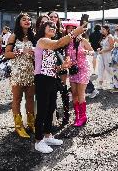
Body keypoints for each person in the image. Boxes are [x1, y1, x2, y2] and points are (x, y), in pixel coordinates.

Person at [34, 20, 85, 153]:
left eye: (54, 27)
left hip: (51, 78)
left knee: (51, 108)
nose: (52, 27)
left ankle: (47, 135)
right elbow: (58, 43)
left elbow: (52, 67)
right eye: (49, 26)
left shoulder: (50, 44)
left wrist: (62, 66)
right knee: (42, 109)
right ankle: (38, 141)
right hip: (41, 79)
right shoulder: (42, 41)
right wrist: (74, 33)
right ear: (42, 28)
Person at [5, 13, 36, 138]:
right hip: (17, 73)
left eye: (29, 19)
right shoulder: (14, 36)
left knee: (30, 99)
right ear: (19, 22)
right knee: (17, 99)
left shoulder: (33, 36)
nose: (27, 21)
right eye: (24, 19)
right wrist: (20, 51)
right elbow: (6, 54)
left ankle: (31, 123)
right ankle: (18, 126)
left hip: (30, 72)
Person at [66, 33, 94, 127]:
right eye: (69, 30)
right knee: (74, 93)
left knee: (80, 92)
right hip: (73, 70)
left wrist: (87, 52)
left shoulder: (83, 41)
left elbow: (92, 52)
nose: (72, 31)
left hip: (83, 69)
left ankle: (83, 117)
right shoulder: (68, 42)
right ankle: (77, 116)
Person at [48, 11, 70, 125]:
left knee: (63, 89)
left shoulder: (62, 32)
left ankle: (66, 114)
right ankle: (55, 114)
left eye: (55, 17)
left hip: (61, 62)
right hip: (49, 64)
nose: (52, 18)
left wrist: (67, 59)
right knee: (52, 91)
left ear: (58, 19)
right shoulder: (45, 31)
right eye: (50, 17)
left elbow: (67, 49)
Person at [97, 25, 114, 89]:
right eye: (101, 29)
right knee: (100, 68)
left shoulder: (110, 37)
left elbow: (112, 47)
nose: (102, 31)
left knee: (109, 69)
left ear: (107, 30)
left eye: (103, 29)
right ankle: (100, 84)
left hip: (108, 55)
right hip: (102, 55)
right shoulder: (103, 37)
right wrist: (100, 49)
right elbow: (103, 46)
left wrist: (104, 50)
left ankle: (113, 84)